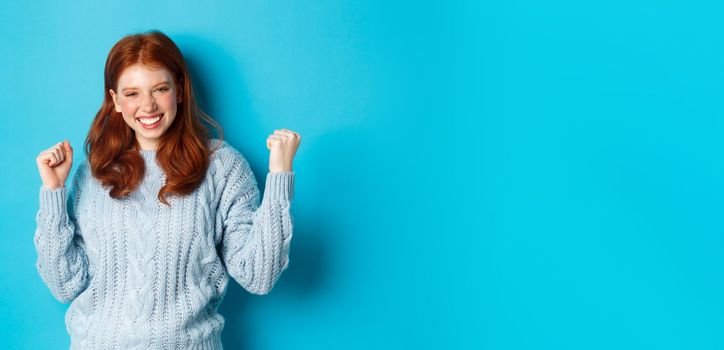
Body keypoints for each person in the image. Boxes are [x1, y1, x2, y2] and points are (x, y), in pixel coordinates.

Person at [33, 30, 301, 349]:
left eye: (160, 89)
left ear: (180, 90)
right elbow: (65, 284)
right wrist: (53, 191)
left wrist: (279, 176)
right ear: (115, 100)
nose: (147, 106)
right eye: (131, 93)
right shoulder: (93, 172)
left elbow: (258, 275)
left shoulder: (221, 166)